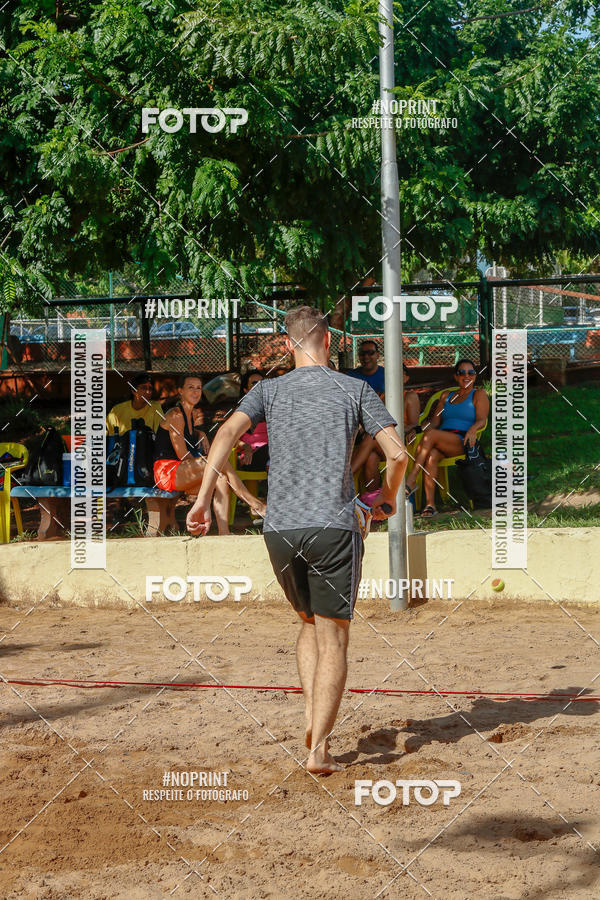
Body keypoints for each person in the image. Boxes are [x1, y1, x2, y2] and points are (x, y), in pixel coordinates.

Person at [186, 306, 407, 774]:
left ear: (287, 346)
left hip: (280, 530)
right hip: (332, 526)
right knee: (335, 636)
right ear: (330, 341)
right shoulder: (355, 389)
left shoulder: (267, 389)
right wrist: (381, 501)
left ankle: (312, 721)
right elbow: (398, 456)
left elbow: (224, 433)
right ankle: (318, 750)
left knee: (308, 622)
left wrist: (203, 500)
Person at [153, 374, 266, 535]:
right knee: (216, 463)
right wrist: (207, 469)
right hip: (166, 471)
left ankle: (224, 532)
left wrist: (200, 433)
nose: (195, 391)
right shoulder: (176, 415)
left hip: (182, 472)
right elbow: (183, 456)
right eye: (190, 387)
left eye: (198, 388)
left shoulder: (192, 416)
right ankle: (253, 502)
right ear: (180, 391)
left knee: (221, 477)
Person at [405, 358, 490, 518]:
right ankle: (431, 505)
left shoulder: (478, 394)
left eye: (471, 372)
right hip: (441, 439)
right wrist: (417, 429)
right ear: (456, 376)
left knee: (430, 436)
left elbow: (482, 419)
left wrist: (473, 429)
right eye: (462, 372)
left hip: (462, 440)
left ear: (475, 375)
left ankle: (412, 478)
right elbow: (434, 421)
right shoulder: (446, 396)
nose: (467, 376)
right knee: (431, 456)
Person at [351, 363, 420, 499]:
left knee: (371, 438)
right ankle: (375, 500)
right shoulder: (381, 396)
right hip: (381, 444)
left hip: (400, 443)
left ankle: (347, 476)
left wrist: (389, 432)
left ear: (406, 378)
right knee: (371, 458)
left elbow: (414, 424)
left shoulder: (410, 396)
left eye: (399, 374)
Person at [237, 370, 269, 471]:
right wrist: (246, 446)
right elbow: (231, 438)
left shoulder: (271, 409)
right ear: (246, 390)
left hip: (272, 453)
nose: (259, 386)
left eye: (262, 383)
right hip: (251, 457)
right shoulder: (241, 413)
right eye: (255, 383)